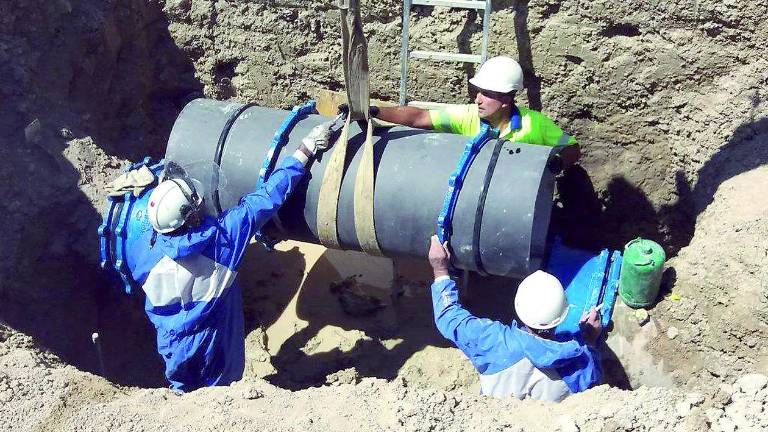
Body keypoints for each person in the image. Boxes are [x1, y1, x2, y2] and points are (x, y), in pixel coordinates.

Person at [129, 121, 336, 392]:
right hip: (211, 342)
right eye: (198, 205)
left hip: (171, 342)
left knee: (182, 395)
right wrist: (306, 149)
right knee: (220, 397)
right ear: (190, 218)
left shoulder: (145, 251)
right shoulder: (222, 240)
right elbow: (268, 197)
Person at [427, 235, 602, 402]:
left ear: (518, 307)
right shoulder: (580, 362)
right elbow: (593, 389)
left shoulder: (493, 342)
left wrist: (440, 269)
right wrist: (590, 340)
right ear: (563, 314)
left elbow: (448, 316)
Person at [371, 56, 580, 167]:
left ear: (506, 98)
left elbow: (571, 147)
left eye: (486, 94)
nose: (477, 99)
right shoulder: (468, 116)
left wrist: (557, 163)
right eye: (478, 91)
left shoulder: (534, 123)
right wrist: (374, 111)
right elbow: (420, 117)